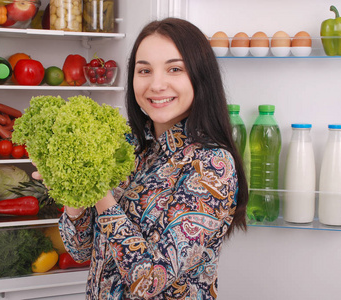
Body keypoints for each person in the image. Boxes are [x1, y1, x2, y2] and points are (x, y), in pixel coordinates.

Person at [34, 17, 248, 299]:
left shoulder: (212, 166)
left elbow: (149, 280)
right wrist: (71, 193)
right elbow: (81, 250)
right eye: (144, 70)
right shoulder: (127, 146)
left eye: (174, 69)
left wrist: (97, 189)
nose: (156, 85)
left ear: (200, 76)